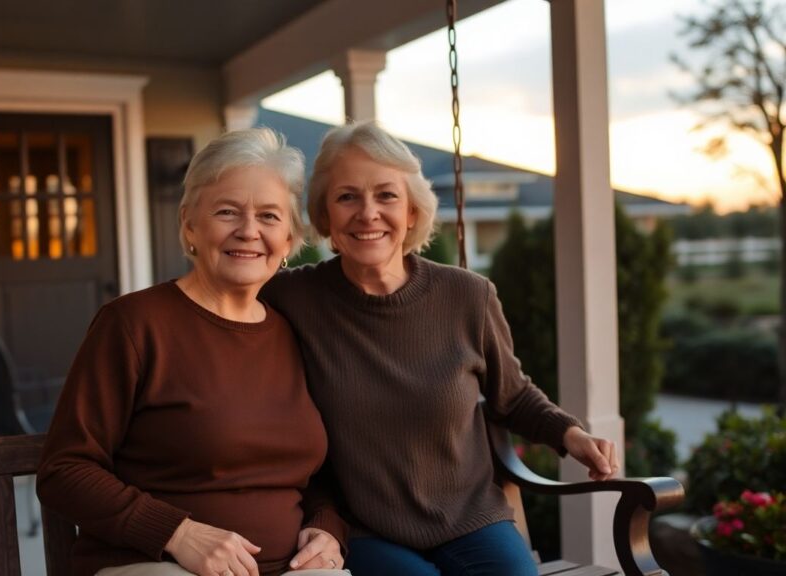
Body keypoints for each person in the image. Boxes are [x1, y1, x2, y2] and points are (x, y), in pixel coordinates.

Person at [261, 122, 620, 576]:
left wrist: (572, 436)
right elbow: (224, 301)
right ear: (326, 216)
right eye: (347, 197)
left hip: (471, 520)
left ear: (412, 211)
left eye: (387, 196)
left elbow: (513, 395)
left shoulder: (469, 295)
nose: (368, 213)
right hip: (366, 530)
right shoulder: (294, 298)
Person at [38, 128, 348, 576]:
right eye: (227, 211)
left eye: (268, 216)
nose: (248, 231)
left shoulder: (293, 333)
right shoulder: (133, 324)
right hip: (156, 564)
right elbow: (64, 469)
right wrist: (178, 534)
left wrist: (326, 528)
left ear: (289, 240)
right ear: (189, 224)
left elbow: (312, 474)